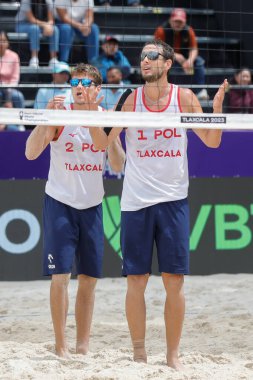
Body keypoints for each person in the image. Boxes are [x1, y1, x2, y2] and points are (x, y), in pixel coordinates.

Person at [90, 39, 227, 370]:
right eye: (142, 57)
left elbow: (212, 141)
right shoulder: (130, 100)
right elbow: (100, 143)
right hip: (136, 202)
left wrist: (217, 112)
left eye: (152, 55)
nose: (145, 60)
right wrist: (91, 113)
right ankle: (139, 351)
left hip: (173, 201)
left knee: (174, 281)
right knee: (136, 281)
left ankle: (172, 355)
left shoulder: (184, 98)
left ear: (168, 63)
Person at [25, 63, 125, 358]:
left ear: (97, 90)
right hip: (60, 203)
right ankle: (61, 346)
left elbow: (118, 166)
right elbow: (30, 154)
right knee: (60, 277)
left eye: (85, 83)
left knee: (89, 280)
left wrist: (111, 137)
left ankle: (82, 346)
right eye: (75, 83)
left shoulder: (106, 118)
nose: (78, 87)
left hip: (92, 205)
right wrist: (45, 119)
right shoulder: (60, 114)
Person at [154, 8, 208, 100]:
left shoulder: (189, 30)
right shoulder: (161, 30)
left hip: (185, 58)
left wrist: (190, 60)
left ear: (185, 22)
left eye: (180, 22)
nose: (178, 24)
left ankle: (200, 90)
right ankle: (159, 89)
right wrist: (175, 55)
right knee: (157, 61)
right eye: (176, 21)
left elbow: (194, 49)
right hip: (166, 57)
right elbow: (156, 48)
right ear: (170, 21)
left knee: (199, 61)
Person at [15, 0, 59, 67]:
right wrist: (45, 25)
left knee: (55, 29)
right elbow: (31, 19)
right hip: (23, 24)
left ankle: (53, 59)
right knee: (34, 29)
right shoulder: (26, 1)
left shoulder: (48, 1)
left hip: (41, 24)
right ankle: (34, 58)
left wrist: (49, 25)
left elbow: (51, 19)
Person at [0, 31, 25, 131]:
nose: (1, 43)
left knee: (18, 96)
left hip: (10, 87)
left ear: (8, 43)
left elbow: (15, 78)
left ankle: (20, 123)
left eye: (3, 41)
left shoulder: (14, 56)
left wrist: (8, 95)